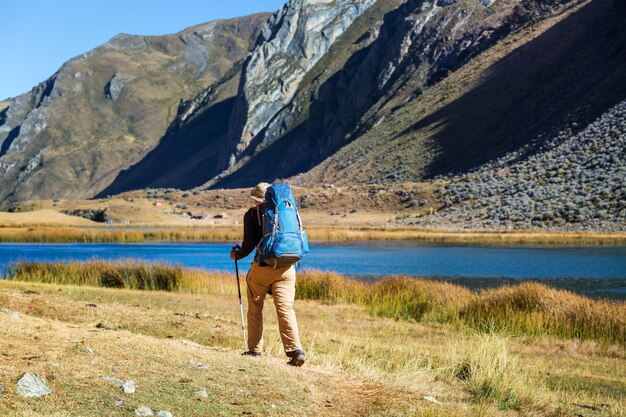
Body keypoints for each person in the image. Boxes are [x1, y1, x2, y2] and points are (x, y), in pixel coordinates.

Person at [230, 182, 306, 367]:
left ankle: (254, 351)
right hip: (288, 267)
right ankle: (295, 351)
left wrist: (236, 254)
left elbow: (248, 246)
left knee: (255, 307)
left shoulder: (252, 214)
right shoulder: (288, 209)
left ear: (256, 198)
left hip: (263, 268)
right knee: (285, 308)